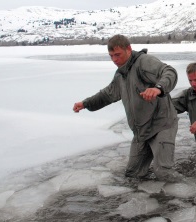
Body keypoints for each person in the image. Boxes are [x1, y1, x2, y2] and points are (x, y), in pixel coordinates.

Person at [73, 34, 182, 182]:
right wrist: (86, 104)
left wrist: (158, 89)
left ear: (129, 49)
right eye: (111, 56)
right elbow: (107, 94)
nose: (114, 60)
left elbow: (169, 72)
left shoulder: (143, 62)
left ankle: (195, 195)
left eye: (117, 55)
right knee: (133, 175)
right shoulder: (120, 75)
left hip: (162, 125)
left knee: (163, 173)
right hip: (141, 132)